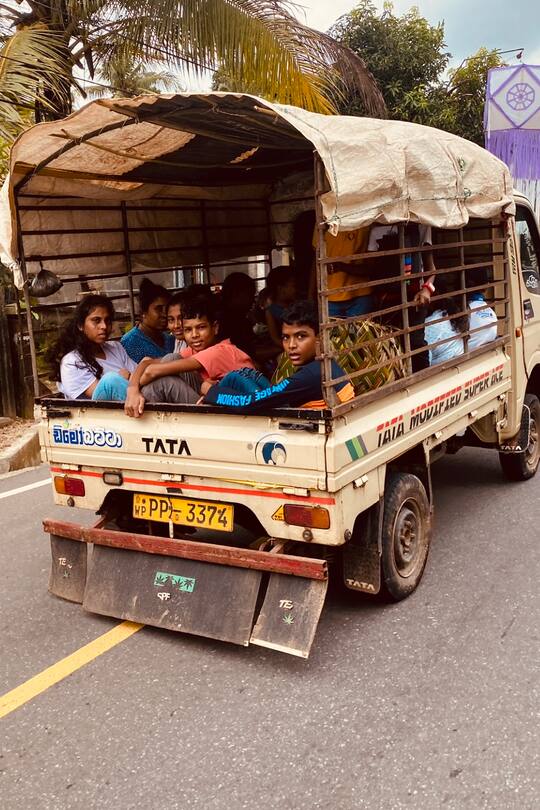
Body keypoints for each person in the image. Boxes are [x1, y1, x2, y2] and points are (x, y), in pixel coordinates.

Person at [204, 301, 355, 411]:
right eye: (286, 338)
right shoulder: (325, 363)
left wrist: (210, 391)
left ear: (319, 338)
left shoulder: (311, 375)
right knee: (246, 373)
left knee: (235, 378)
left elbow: (246, 403)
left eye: (301, 336)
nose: (291, 345)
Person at [124, 291, 256, 416]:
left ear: (215, 328)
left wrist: (134, 389)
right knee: (172, 358)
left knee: (163, 382)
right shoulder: (194, 350)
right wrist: (132, 389)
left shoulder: (221, 351)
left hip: (236, 412)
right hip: (213, 402)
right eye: (188, 330)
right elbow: (146, 362)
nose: (194, 335)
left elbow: (151, 371)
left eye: (201, 327)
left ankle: (140, 419)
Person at [47, 294, 137, 401]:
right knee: (110, 380)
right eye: (96, 320)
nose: (104, 326)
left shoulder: (115, 348)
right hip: (103, 410)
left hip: (134, 400)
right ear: (80, 325)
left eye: (107, 320)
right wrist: (122, 378)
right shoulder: (72, 362)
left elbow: (139, 375)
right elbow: (106, 394)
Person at [311, 226, 372, 318]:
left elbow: (371, 265)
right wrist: (311, 294)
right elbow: (316, 260)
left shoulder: (364, 223)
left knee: (357, 328)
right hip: (330, 296)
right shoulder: (323, 223)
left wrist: (341, 266)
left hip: (360, 294)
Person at [121, 278, 175, 363]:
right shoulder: (130, 343)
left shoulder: (170, 339)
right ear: (143, 311)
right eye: (159, 309)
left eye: (167, 309)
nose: (165, 314)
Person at [218, 272, 257, 356]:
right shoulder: (232, 321)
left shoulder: (235, 317)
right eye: (250, 295)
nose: (253, 300)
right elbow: (248, 353)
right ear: (236, 294)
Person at [265, 266, 297, 348]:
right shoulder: (270, 312)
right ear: (280, 288)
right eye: (293, 285)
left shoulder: (297, 305)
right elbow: (275, 339)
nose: (296, 289)